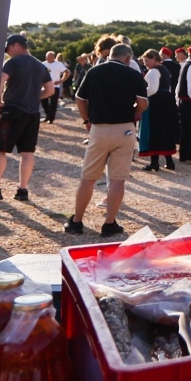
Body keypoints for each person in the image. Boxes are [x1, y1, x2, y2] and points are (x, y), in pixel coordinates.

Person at [69, 43, 149, 237]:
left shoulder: (94, 72)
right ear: (128, 58)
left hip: (99, 128)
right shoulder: (133, 74)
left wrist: (87, 120)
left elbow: (80, 98)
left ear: (109, 55)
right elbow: (143, 103)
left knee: (88, 177)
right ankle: (109, 223)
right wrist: (135, 110)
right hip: (124, 129)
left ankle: (77, 221)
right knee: (117, 179)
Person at [0, 34, 54, 203]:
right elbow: (50, 90)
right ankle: (23, 190)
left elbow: (0, 79)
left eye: (9, 49)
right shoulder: (40, 66)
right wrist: (33, 96)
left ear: (17, 45)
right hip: (32, 114)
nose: (8, 53)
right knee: (27, 152)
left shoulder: (12, 63)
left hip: (12, 110)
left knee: (0, 149)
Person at [138, 50, 178, 171]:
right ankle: (169, 161)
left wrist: (140, 94)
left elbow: (153, 89)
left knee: (153, 131)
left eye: (147, 61)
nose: (145, 64)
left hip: (156, 103)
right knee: (164, 130)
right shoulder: (164, 70)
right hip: (166, 101)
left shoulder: (154, 71)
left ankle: (154, 162)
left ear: (154, 58)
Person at [41, 51, 68, 123]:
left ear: (53, 57)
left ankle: (51, 119)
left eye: (50, 56)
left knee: (53, 103)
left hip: (55, 86)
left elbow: (67, 72)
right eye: (47, 56)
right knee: (43, 101)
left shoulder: (58, 64)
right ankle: (48, 115)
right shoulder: (43, 64)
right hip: (45, 86)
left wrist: (61, 80)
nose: (48, 58)